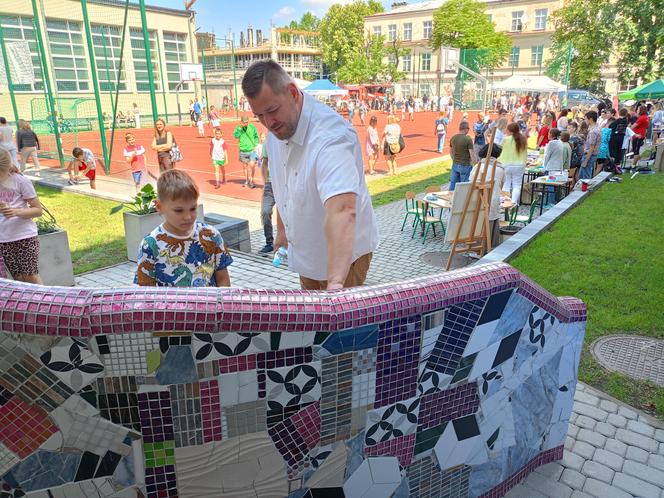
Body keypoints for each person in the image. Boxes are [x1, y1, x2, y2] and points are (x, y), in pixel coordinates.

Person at [242, 59, 379, 290]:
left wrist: (335, 284)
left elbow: (343, 210)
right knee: (315, 321)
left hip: (344, 260)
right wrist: (283, 231)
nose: (268, 123)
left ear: (293, 93)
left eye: (272, 110)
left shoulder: (331, 136)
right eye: (259, 116)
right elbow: (282, 184)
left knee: (340, 323)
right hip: (307, 258)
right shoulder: (278, 129)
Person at [135, 169, 232, 287]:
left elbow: (223, 279)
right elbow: (146, 292)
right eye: (179, 210)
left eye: (193, 208)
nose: (188, 217)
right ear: (159, 206)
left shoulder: (211, 235)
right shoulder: (149, 245)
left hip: (208, 304)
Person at [0, 149, 43, 284]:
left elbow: (38, 210)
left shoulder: (20, 181)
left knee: (31, 276)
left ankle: (42, 303)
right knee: (18, 279)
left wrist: (15, 212)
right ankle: (29, 305)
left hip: (25, 236)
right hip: (4, 239)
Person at [469, 157, 505, 249]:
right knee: (491, 221)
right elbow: (502, 184)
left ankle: (480, 247)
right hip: (494, 198)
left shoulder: (478, 166)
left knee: (481, 222)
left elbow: (471, 183)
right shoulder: (500, 169)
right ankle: (491, 246)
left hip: (481, 199)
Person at [498, 123, 528, 204]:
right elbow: (525, 153)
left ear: (510, 131)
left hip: (506, 164)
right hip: (519, 164)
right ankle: (514, 203)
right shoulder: (523, 139)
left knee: (506, 184)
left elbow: (499, 150)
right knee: (517, 185)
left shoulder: (505, 139)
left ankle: (505, 203)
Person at [449, 121, 477, 191]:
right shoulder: (468, 139)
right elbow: (471, 154)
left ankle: (450, 198)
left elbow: (450, 151)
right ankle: (462, 200)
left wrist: (454, 159)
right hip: (465, 165)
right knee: (464, 186)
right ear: (466, 129)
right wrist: (475, 164)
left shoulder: (453, 138)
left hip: (455, 164)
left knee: (453, 184)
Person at [259, 132, 275, 254]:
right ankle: (269, 242)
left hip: (285, 185)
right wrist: (266, 182)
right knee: (265, 212)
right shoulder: (269, 141)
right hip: (270, 185)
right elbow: (264, 163)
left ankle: (291, 243)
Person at [234, 115, 259, 188]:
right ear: (241, 122)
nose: (246, 123)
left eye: (247, 122)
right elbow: (236, 136)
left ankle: (251, 179)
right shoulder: (238, 128)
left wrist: (256, 145)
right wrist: (240, 129)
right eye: (244, 122)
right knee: (245, 166)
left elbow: (256, 136)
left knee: (252, 165)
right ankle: (247, 180)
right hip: (243, 150)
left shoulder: (252, 127)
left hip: (252, 150)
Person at [579, 111, 601, 179]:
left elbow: (592, 148)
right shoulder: (596, 127)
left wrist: (586, 161)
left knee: (585, 176)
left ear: (590, 119)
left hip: (589, 155)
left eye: (586, 119)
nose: (585, 121)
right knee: (583, 174)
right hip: (591, 155)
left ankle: (586, 189)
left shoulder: (593, 131)